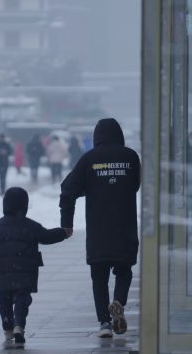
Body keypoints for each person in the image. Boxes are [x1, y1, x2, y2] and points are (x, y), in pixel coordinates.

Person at [59, 118, 141, 338]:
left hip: (99, 230)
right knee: (124, 271)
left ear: (97, 137)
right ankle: (118, 303)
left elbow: (67, 190)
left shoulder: (88, 160)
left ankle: (104, 324)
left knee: (99, 277)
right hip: (125, 226)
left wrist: (66, 223)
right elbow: (135, 185)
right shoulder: (131, 157)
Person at [0, 187, 69, 344]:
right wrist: (63, 233)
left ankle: (8, 327)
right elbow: (46, 236)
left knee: (4, 301)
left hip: (1, 273)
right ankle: (19, 326)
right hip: (24, 272)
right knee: (22, 299)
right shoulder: (30, 226)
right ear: (24, 206)